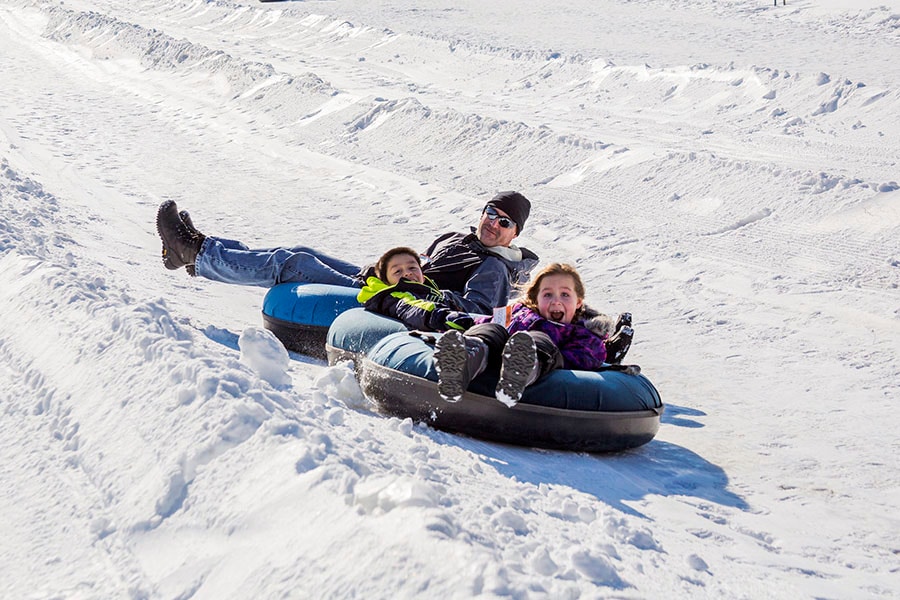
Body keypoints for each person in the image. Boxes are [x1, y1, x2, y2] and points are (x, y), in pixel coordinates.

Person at [155, 191, 539, 314]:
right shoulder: (460, 238)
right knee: (301, 249)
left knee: (295, 264)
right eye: (491, 212)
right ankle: (200, 250)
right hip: (390, 280)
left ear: (514, 234)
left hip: (399, 300)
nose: (493, 223)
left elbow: (473, 311)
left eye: (504, 222)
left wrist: (420, 290)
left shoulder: (493, 268)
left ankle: (194, 252)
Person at [433, 263, 635, 405]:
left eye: (565, 295)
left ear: (579, 302)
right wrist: (459, 325)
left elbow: (588, 355)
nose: (556, 301)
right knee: (491, 330)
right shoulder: (518, 313)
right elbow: (485, 321)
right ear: (536, 299)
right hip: (495, 352)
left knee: (537, 341)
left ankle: (520, 371)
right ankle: (464, 360)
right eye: (547, 294)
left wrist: (562, 358)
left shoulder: (581, 332)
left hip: (540, 357)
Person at [356, 246, 477, 332]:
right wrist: (439, 317)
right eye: (398, 271)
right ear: (387, 282)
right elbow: (410, 308)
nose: (407, 273)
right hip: (429, 322)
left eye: (412, 268)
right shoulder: (394, 296)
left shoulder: (431, 291)